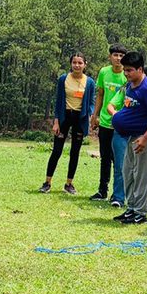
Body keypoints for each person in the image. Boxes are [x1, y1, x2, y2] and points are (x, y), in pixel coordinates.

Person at [110, 51, 147, 224]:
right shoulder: (130, 86)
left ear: (140, 69)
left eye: (129, 70)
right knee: (129, 172)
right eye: (124, 70)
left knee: (143, 176)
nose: (126, 74)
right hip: (132, 137)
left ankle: (141, 213)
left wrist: (145, 137)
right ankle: (131, 208)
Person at [40, 53, 96, 195]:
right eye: (74, 62)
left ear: (85, 64)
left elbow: (91, 103)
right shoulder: (63, 79)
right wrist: (56, 121)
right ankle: (47, 182)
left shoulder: (89, 82)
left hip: (80, 118)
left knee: (75, 152)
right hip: (65, 116)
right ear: (71, 64)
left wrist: (89, 116)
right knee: (57, 151)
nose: (77, 65)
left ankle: (69, 184)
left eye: (80, 63)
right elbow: (58, 101)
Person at [89, 44, 128, 206]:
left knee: (119, 161)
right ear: (110, 57)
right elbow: (100, 94)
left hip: (120, 125)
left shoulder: (127, 75)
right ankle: (102, 190)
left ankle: (117, 194)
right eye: (115, 55)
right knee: (105, 157)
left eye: (121, 56)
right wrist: (95, 115)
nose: (118, 58)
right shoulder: (104, 72)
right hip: (105, 122)